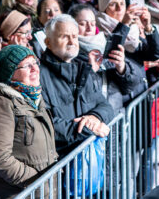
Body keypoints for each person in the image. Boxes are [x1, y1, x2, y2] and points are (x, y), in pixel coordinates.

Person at [0, 45, 58, 199]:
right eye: (27, 66)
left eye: (35, 63)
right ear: (10, 74)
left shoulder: (34, 98)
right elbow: (0, 158)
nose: (35, 69)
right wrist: (37, 181)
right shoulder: (1, 103)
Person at [39, 15, 112, 150]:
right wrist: (88, 129)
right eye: (64, 37)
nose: (72, 42)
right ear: (48, 42)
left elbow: (105, 105)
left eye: (74, 36)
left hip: (88, 157)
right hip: (60, 160)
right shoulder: (38, 75)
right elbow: (43, 123)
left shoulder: (83, 69)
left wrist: (94, 117)